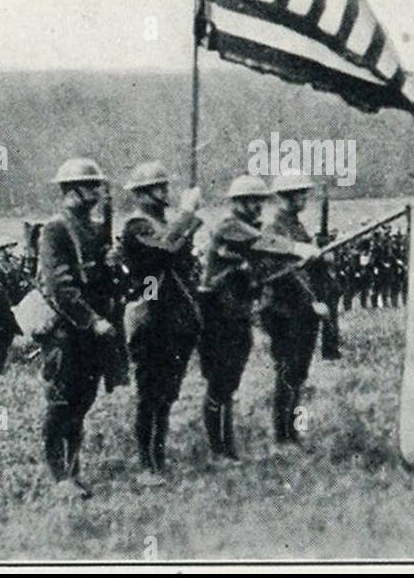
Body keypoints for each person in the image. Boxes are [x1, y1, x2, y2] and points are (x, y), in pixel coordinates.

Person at [197, 175, 317, 461]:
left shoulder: (249, 228)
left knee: (229, 382)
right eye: (251, 201)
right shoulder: (230, 226)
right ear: (236, 203)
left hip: (237, 314)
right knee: (220, 384)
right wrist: (297, 249)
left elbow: (263, 264)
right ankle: (219, 452)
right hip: (216, 315)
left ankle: (226, 450)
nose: (257, 207)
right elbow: (261, 242)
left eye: (259, 201)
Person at [119, 161, 203, 485]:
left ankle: (159, 458)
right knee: (150, 394)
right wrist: (187, 212)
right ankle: (147, 465)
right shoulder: (136, 226)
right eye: (161, 188)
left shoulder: (160, 223)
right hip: (151, 319)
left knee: (167, 394)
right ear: (144, 193)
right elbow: (167, 247)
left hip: (173, 319)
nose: (166, 193)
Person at [37, 157, 116, 498]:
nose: (97, 193)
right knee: (61, 403)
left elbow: (103, 280)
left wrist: (114, 264)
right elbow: (60, 286)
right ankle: (59, 477)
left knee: (82, 403)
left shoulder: (95, 228)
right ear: (72, 190)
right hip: (67, 332)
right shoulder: (55, 229)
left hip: (93, 333)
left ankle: (73, 470)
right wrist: (91, 320)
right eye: (92, 186)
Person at [260, 174, 331, 449]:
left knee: (299, 373)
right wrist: (310, 302)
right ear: (287, 197)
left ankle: (293, 431)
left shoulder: (295, 226)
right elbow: (284, 273)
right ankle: (283, 435)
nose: (304, 199)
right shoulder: (274, 227)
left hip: (300, 311)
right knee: (288, 371)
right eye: (300, 194)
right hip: (283, 310)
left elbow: (306, 265)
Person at [0, 237, 25, 374]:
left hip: (3, 302)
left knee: (7, 334)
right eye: (10, 246)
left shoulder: (6, 261)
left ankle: (0, 366)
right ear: (3, 248)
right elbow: (11, 276)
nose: (12, 249)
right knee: (0, 336)